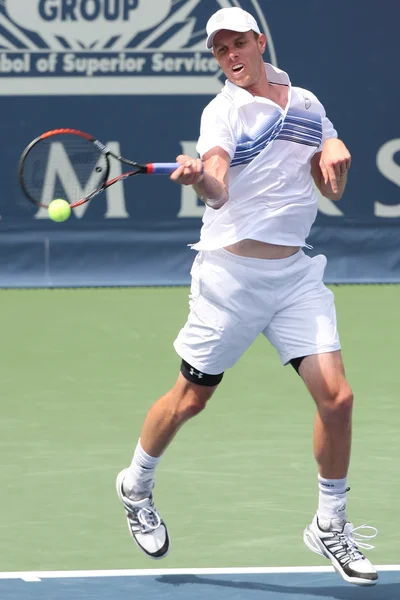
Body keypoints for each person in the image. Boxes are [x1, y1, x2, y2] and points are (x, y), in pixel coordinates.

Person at [116, 6, 378, 586]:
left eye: (238, 44)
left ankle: (330, 523)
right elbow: (217, 184)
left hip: (295, 278)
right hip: (229, 279)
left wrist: (336, 153)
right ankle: (136, 481)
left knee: (337, 400)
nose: (230, 57)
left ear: (260, 41)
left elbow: (323, 173)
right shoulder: (223, 112)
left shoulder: (306, 102)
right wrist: (200, 180)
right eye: (219, 51)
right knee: (190, 400)